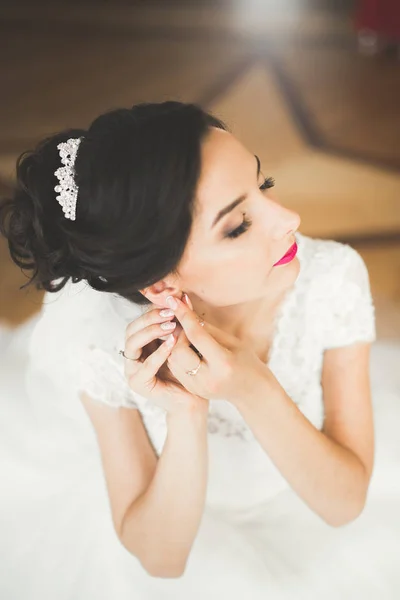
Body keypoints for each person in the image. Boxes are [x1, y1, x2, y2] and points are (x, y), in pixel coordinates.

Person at [1, 101, 399, 600]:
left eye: (265, 186)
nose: (289, 219)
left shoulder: (331, 279)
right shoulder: (97, 333)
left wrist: (252, 387)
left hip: (311, 510)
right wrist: (184, 414)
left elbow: (343, 505)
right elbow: (161, 561)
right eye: (238, 225)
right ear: (159, 280)